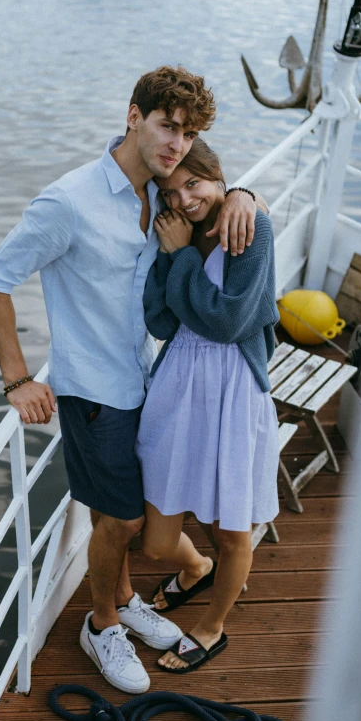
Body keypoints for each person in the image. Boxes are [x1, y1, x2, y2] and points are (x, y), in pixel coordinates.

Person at [0, 66, 260, 694]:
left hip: (146, 381)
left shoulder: (161, 190)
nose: (176, 145)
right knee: (124, 522)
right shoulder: (68, 201)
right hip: (94, 389)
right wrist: (17, 379)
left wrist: (242, 193)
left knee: (124, 513)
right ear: (133, 116)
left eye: (187, 135)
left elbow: (208, 192)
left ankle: (126, 600)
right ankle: (102, 623)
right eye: (167, 127)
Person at [136, 137, 279, 674]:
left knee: (232, 528)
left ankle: (212, 627)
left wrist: (178, 260)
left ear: (218, 177)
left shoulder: (250, 227)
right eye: (171, 192)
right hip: (179, 386)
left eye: (193, 184)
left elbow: (226, 322)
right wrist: (169, 255)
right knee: (156, 542)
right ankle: (194, 568)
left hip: (233, 390)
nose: (184, 200)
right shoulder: (177, 231)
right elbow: (160, 321)